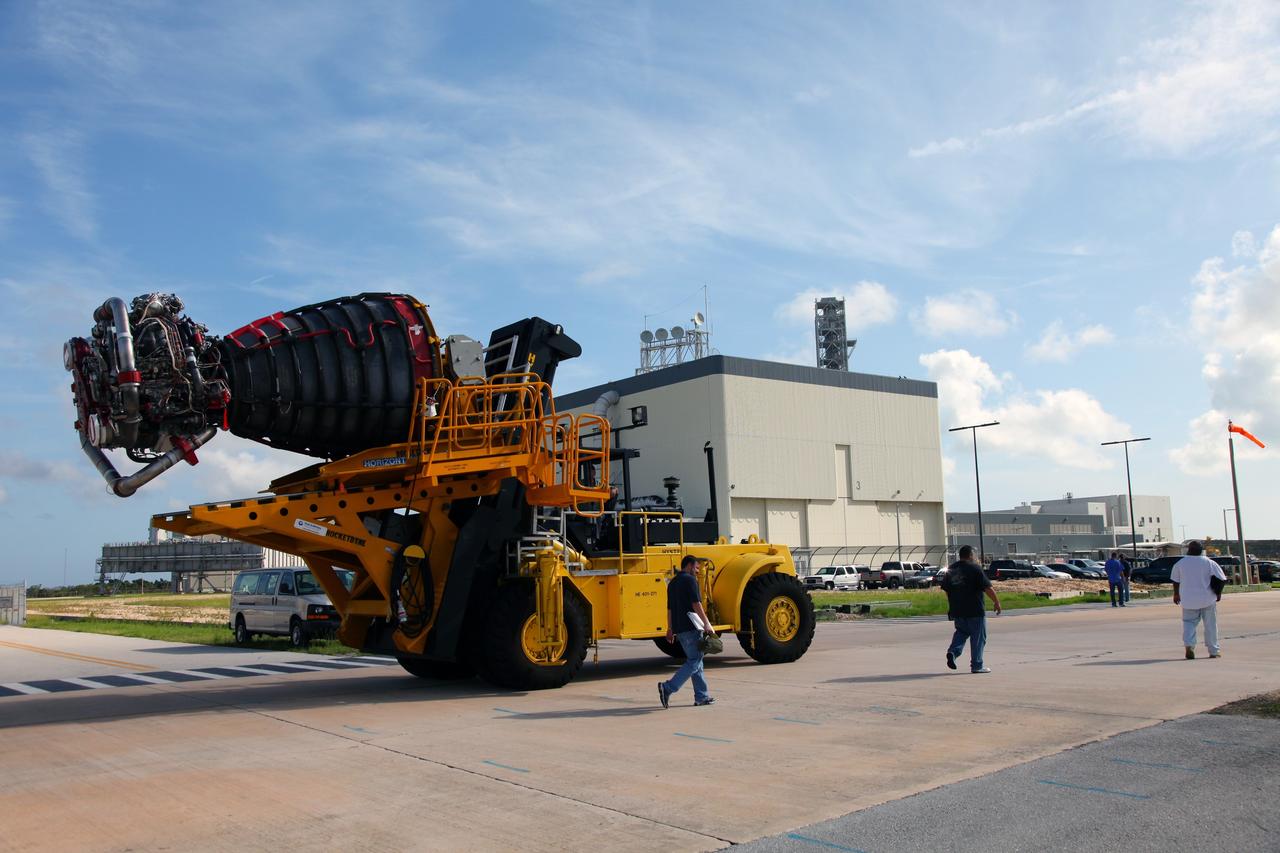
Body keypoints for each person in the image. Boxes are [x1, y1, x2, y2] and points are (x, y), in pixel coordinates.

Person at [658, 555, 715, 707]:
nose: (697, 571)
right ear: (689, 566)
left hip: (679, 629)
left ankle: (701, 696)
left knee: (697, 661)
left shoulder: (672, 583)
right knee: (694, 661)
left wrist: (669, 628)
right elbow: (696, 604)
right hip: (691, 628)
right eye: (696, 568)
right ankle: (668, 687)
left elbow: (669, 608)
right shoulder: (690, 580)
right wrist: (707, 624)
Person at [941, 545, 1001, 674]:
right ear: (970, 555)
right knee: (978, 637)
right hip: (975, 609)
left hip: (958, 609)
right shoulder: (975, 569)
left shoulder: (951, 569)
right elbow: (987, 588)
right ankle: (977, 665)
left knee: (961, 633)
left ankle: (953, 652)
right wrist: (996, 602)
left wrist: (953, 604)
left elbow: (946, 590)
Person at [1171, 541, 1227, 660]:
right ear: (1201, 550)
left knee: (1189, 623)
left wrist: (1176, 594)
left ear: (1189, 550)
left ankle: (1189, 646)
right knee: (1210, 625)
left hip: (1188, 599)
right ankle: (1213, 651)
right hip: (1207, 598)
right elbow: (1222, 578)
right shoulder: (1209, 562)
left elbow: (1176, 581)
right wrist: (1218, 593)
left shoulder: (1180, 563)